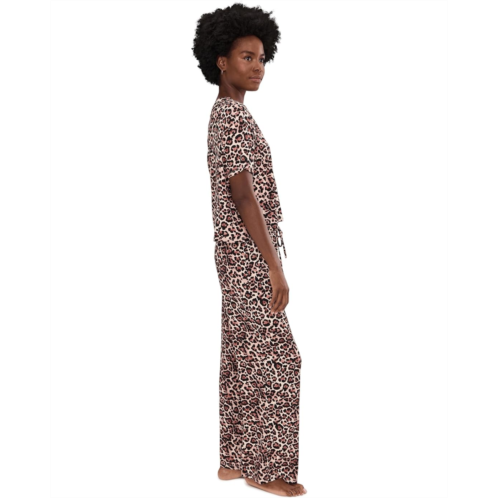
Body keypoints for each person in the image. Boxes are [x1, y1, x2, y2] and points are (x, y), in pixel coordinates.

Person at [193, 4, 306, 497]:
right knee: (278, 361)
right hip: (249, 259)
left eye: (262, 58)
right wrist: (274, 268)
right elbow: (244, 197)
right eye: (246, 57)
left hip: (232, 257)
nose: (258, 67)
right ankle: (266, 469)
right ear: (221, 61)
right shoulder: (232, 116)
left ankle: (233, 461)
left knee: (243, 355)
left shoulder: (222, 114)